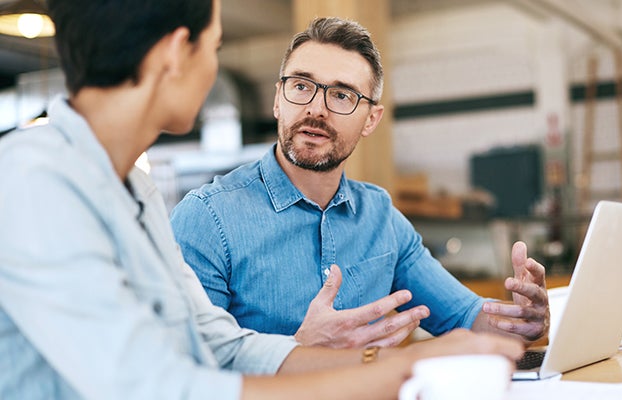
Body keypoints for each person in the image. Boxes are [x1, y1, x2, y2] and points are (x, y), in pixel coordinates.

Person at [0, 1, 526, 399]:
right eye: (215, 46)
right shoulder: (30, 179)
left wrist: (389, 358)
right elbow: (155, 385)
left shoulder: (133, 187)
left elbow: (220, 344)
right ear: (174, 54)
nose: (214, 69)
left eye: (342, 95)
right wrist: (406, 368)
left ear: (370, 117)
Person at [170, 16, 550, 349]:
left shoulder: (380, 217)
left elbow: (467, 318)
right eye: (301, 86)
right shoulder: (206, 219)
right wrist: (299, 349)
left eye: (341, 95)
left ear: (371, 119)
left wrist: (522, 322)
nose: (316, 108)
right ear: (277, 100)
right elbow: (182, 370)